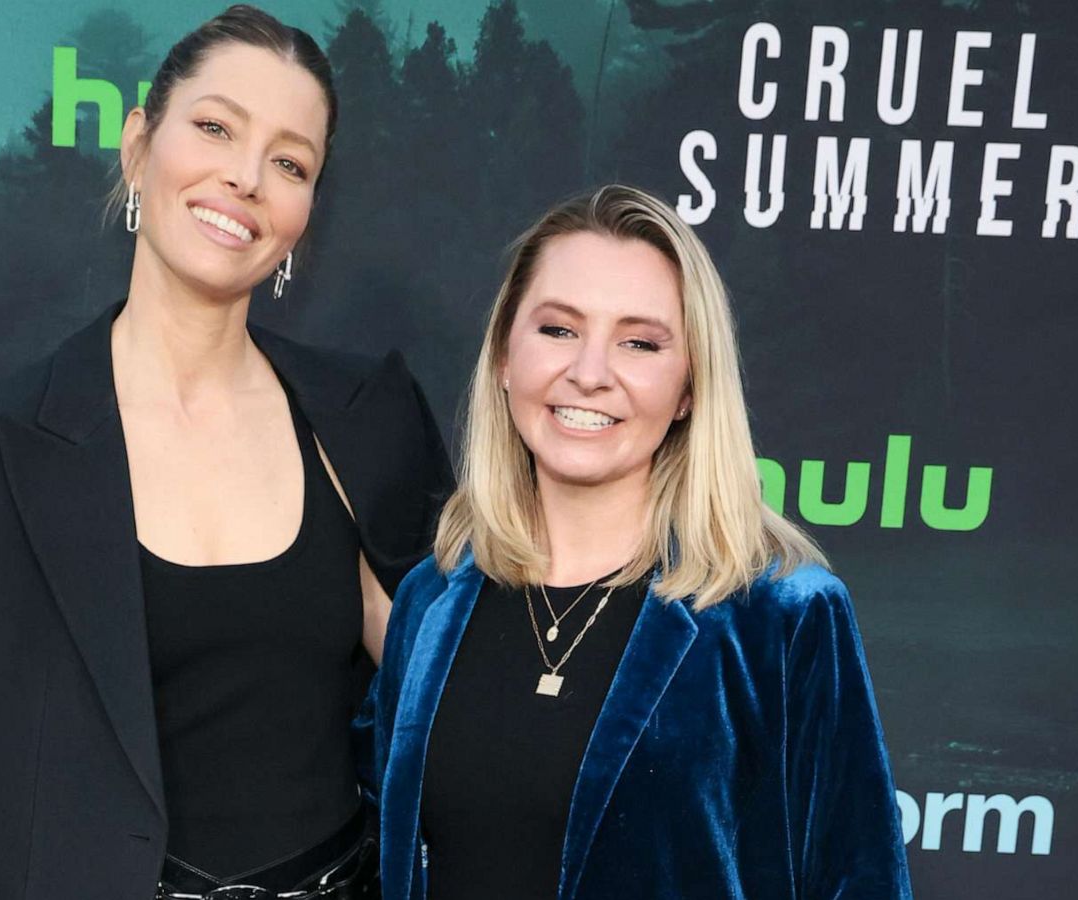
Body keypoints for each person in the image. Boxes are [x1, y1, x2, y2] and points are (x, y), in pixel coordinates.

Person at [0, 6, 450, 898]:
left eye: (290, 161)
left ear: (308, 208)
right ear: (139, 143)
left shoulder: (370, 417)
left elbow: (461, 705)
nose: (245, 177)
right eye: (216, 127)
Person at [362, 185, 912, 899]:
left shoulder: (779, 616)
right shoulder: (430, 602)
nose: (589, 373)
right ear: (504, 356)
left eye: (640, 343)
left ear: (689, 388)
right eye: (558, 330)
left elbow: (858, 879)